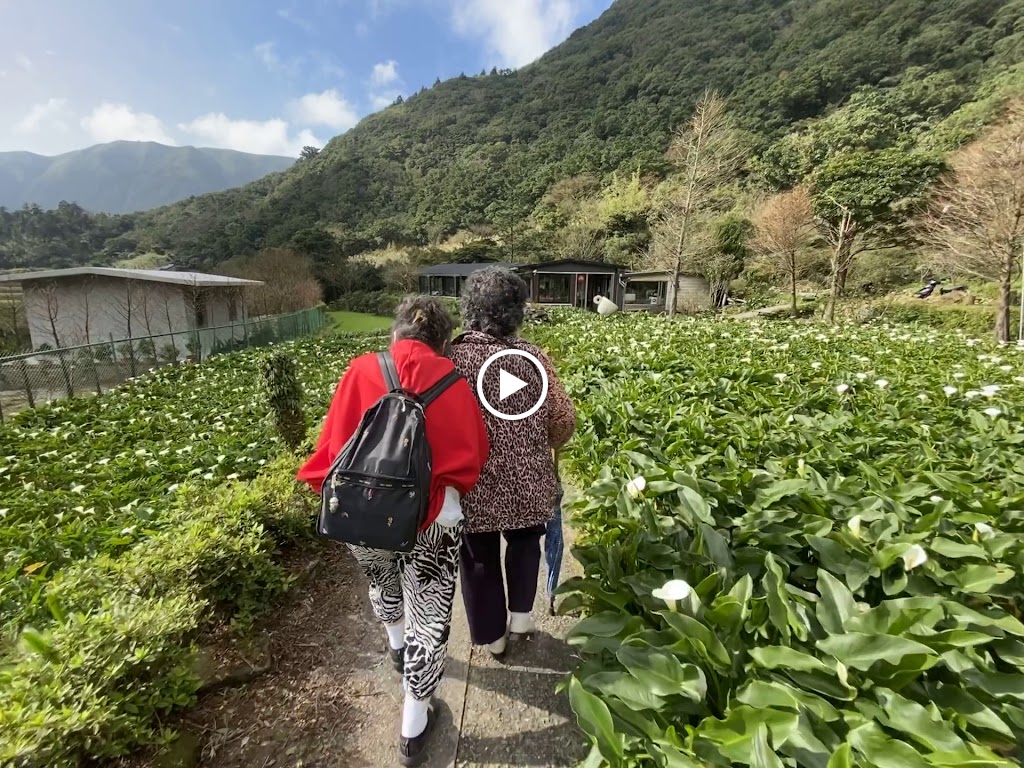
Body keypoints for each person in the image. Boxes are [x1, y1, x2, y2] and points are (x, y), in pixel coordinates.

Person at [297, 296, 489, 767]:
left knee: (381, 582)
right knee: (431, 612)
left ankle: (397, 647)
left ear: (395, 333)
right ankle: (412, 728)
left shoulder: (362, 370)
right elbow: (474, 457)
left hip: (361, 516)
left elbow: (332, 446)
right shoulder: (454, 382)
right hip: (431, 524)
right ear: (443, 342)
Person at [449, 266, 576, 657]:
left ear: (469, 309)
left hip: (472, 485)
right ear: (516, 311)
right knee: (525, 542)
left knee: (478, 555)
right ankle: (521, 616)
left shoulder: (450, 359)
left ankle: (493, 637)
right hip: (529, 481)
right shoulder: (533, 358)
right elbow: (563, 422)